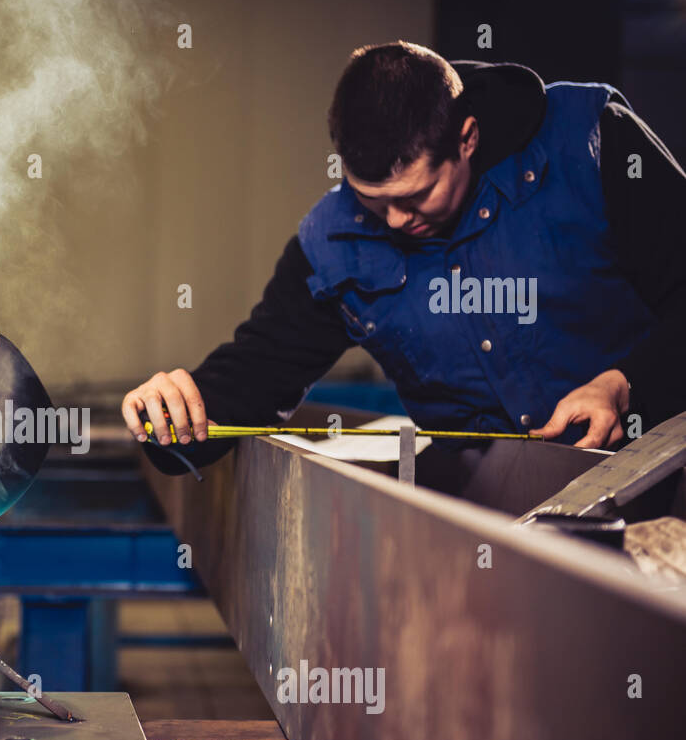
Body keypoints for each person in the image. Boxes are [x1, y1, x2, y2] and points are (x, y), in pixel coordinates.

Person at [121, 42, 686, 469]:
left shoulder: (589, 143)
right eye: (373, 201)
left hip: (660, 487)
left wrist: (626, 382)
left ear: (466, 139)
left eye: (415, 196)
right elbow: (255, 376)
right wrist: (175, 410)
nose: (394, 221)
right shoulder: (335, 243)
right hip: (496, 529)